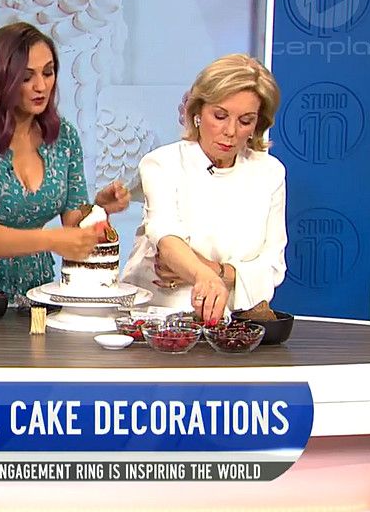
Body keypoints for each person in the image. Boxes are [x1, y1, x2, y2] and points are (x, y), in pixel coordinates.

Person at [0, 22, 130, 302]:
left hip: (31, 280)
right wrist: (52, 240)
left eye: (48, 72)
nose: (41, 86)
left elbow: (73, 226)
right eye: (26, 77)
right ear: (2, 79)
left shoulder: (64, 137)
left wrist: (99, 209)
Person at [119, 54, 286, 323]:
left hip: (232, 324)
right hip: (155, 318)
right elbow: (166, 239)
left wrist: (209, 271)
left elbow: (272, 267)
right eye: (220, 116)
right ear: (197, 113)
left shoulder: (270, 172)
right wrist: (211, 275)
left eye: (245, 121)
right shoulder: (162, 163)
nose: (230, 131)